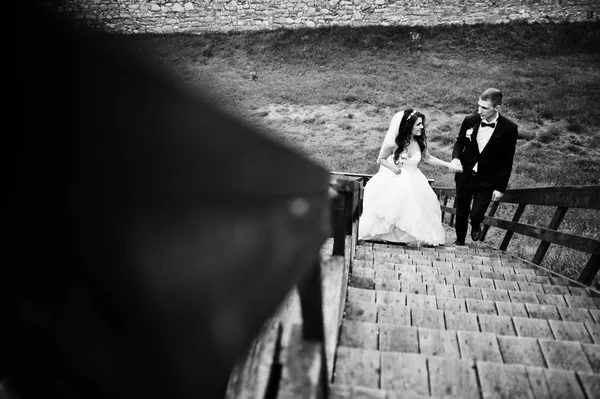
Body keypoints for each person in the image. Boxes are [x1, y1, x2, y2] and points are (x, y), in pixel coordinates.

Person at [358, 109, 462, 246]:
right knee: (395, 206)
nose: (422, 127)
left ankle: (409, 236)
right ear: (409, 126)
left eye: (422, 124)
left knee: (414, 206)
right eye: (418, 124)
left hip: (414, 179)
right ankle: (388, 235)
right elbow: (381, 159)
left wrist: (447, 164)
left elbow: (428, 158)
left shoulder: (420, 142)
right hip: (394, 177)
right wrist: (392, 167)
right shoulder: (393, 143)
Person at [449, 88, 518, 245]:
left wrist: (500, 188)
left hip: (487, 179)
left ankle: (475, 224)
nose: (479, 110)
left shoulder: (509, 128)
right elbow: (459, 143)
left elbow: (507, 160)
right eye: (478, 106)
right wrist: (456, 159)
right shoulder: (469, 120)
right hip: (465, 175)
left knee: (476, 213)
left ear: (497, 108)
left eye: (484, 108)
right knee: (461, 212)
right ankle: (459, 243)